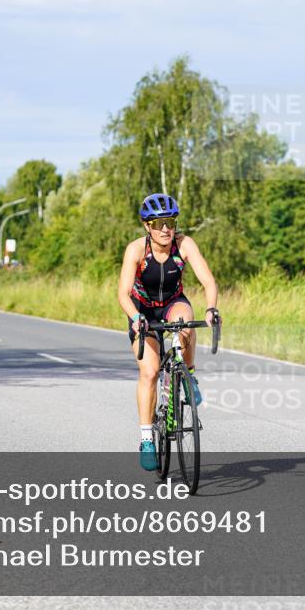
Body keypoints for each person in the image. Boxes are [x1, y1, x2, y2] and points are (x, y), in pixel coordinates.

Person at [116, 193, 219, 471]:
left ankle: (189, 377)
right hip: (144, 311)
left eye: (170, 221)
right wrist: (136, 317)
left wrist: (211, 308)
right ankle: (147, 438)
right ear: (147, 226)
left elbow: (208, 280)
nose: (166, 229)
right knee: (149, 372)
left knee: (186, 320)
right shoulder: (136, 249)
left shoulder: (184, 245)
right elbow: (123, 294)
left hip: (173, 304)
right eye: (159, 223)